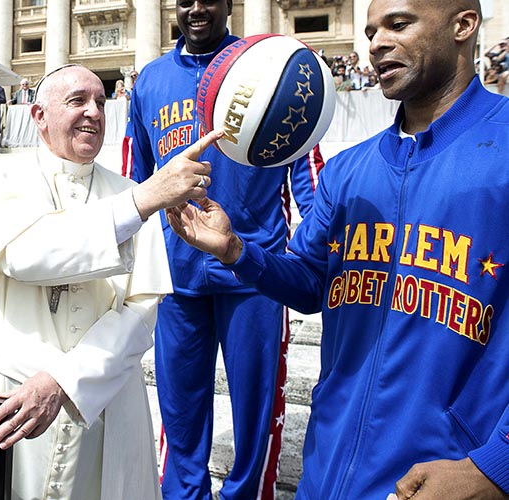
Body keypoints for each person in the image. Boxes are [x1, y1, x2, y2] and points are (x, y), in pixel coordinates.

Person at [165, 1, 509, 499]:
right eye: (370, 31)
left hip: (446, 480)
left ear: (464, 25)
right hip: (327, 474)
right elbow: (309, 283)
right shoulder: (348, 169)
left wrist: (494, 467)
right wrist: (237, 250)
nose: (377, 43)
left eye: (399, 24)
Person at [0, 64, 223, 500]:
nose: (93, 111)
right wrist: (143, 199)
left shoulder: (129, 192)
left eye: (100, 101)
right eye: (77, 101)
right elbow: (25, 255)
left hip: (104, 395)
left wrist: (66, 379)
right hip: (12, 390)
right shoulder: (0, 178)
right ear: (39, 116)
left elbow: (142, 310)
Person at [122, 0, 326, 498]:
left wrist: (307, 254)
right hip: (177, 276)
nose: (196, 9)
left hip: (254, 273)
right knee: (180, 412)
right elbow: (136, 178)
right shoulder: (148, 80)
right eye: (185, 0)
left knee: (256, 416)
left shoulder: (268, 63)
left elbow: (307, 169)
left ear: (228, 5)